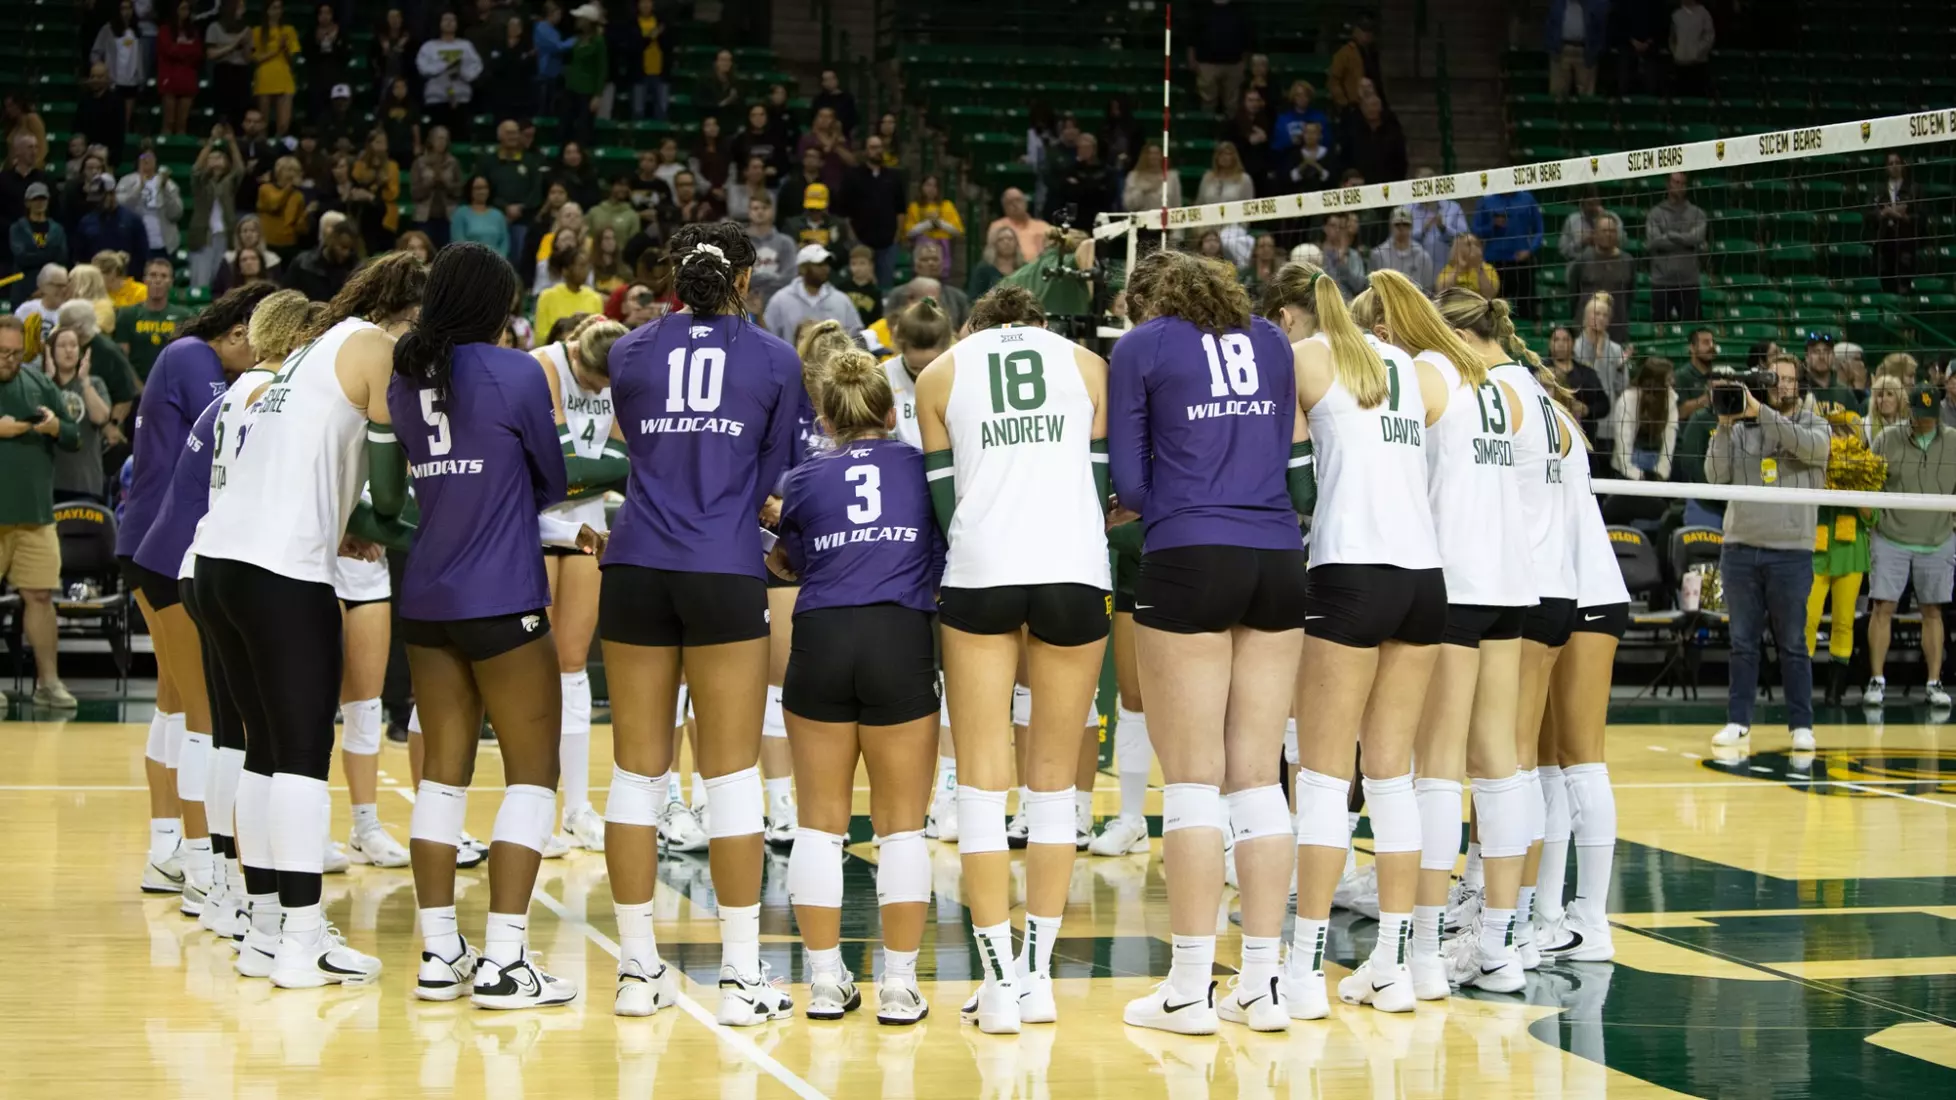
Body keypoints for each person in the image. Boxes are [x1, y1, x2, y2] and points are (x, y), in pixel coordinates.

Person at [191, 254, 426, 987]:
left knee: (263, 749)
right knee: (298, 755)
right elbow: (388, 501)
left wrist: (354, 514)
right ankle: (300, 938)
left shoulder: (309, 351)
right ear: (409, 312)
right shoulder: (376, 349)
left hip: (218, 562)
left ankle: (265, 930)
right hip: (281, 569)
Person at [598, 221, 801, 1024]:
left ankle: (636, 972)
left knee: (635, 777)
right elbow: (773, 483)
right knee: (729, 779)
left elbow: (634, 454)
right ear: (746, 278)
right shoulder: (777, 361)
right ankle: (742, 975)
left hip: (637, 565)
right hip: (721, 566)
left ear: (674, 276)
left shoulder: (628, 353)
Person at [1102, 251, 1304, 1034]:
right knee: (1257, 779)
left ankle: (1189, 987)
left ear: (1146, 301)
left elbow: (1133, 482)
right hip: (1278, 556)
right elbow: (1289, 459)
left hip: (1190, 552)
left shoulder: (1143, 346)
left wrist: (1155, 501)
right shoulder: (1273, 341)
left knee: (1191, 783)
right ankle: (1263, 984)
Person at [375, 241, 579, 1008]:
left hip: (426, 595)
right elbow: (553, 480)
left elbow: (394, 489)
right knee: (532, 774)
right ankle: (504, 961)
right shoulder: (521, 371)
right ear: (496, 307)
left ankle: (437, 957)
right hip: (503, 596)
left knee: (443, 778)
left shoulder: (405, 374)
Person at [913, 283, 1110, 1034]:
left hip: (983, 569)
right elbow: (1097, 484)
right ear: (1038, 324)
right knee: (1054, 785)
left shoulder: (941, 373)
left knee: (982, 781)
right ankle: (1038, 980)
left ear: (975, 325)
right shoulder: (1088, 364)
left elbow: (943, 503)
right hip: (1073, 567)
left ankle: (997, 985)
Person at [763, 344, 943, 1023]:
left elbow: (786, 560)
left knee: (819, 824)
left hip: (823, 639)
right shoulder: (924, 469)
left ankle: (826, 981)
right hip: (898, 636)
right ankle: (898, 985)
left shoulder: (805, 479)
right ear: (893, 410)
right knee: (900, 827)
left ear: (826, 419)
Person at [1370, 270, 1536, 996]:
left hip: (1457, 583)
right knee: (1501, 762)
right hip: (1509, 583)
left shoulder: (1426, 372)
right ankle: (1501, 946)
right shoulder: (1500, 381)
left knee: (1436, 767)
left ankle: (1427, 953)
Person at [135, 289, 316, 943]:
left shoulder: (225, 391)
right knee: (216, 726)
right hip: (190, 553)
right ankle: (212, 873)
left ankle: (177, 852)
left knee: (181, 711)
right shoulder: (240, 384)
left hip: (165, 547)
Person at [118, 284, 278, 911]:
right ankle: (203, 863)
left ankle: (168, 848)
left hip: (152, 540)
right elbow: (250, 430)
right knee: (205, 718)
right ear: (241, 332)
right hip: (169, 545)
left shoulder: (186, 355)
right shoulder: (194, 358)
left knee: (174, 705)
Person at [1440, 286, 1581, 977]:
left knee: (1507, 763)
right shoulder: (1541, 394)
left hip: (1514, 585)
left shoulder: (1496, 393)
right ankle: (1508, 917)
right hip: (1549, 587)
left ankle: (1511, 926)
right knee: (1516, 761)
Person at [1533, 386, 1628, 963]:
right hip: (1557, 590)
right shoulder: (1548, 415)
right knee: (1541, 762)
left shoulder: (1530, 418)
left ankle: (1591, 917)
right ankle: (1546, 914)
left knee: (1580, 757)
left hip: (1585, 592)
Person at [531, 315, 628, 853]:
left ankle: (577, 808)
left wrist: (584, 472)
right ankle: (537, 807)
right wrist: (590, 469)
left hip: (591, 523)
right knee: (537, 665)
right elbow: (554, 464)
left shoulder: (618, 371)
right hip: (542, 519)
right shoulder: (542, 366)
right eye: (592, 382)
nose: (599, 390)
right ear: (574, 354)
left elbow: (621, 463)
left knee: (572, 666)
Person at [1706, 354, 1830, 750]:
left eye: (1789, 379)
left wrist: (1760, 412)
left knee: (1793, 643)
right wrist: (1725, 428)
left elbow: (1806, 447)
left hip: (1791, 552)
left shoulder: (1816, 424)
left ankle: (1801, 725)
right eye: (1775, 379)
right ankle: (1738, 720)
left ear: (1801, 384)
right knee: (1742, 642)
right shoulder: (1742, 428)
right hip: (1740, 549)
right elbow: (1714, 475)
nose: (1782, 385)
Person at [0, 314, 81, 708]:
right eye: (2, 352)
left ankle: (48, 684)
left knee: (40, 596)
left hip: (35, 515)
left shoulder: (38, 383)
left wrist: (52, 428)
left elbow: (74, 434)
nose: (9, 360)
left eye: (16, 353)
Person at [1865, 385, 1956, 709]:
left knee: (1933, 611)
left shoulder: (1954, 441)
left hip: (1938, 539)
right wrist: (1874, 519)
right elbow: (1869, 483)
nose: (1926, 422)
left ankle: (1934, 682)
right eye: (1920, 416)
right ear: (1910, 411)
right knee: (1882, 609)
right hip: (1890, 537)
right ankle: (1876, 680)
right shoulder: (1887, 438)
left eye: (1932, 417)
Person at [1803, 408, 1877, 705]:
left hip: (1850, 554)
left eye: (1843, 433)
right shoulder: (1812, 466)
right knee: (1807, 619)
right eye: (1833, 432)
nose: (1837, 437)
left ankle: (1835, 691)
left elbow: (1873, 518)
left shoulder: (1866, 469)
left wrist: (1854, 486)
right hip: (1815, 550)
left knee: (1844, 622)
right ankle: (1802, 688)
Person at [40, 325, 112, 501]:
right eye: (62, 345)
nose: (68, 350)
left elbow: (101, 417)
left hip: (86, 483)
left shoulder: (94, 383)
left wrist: (85, 383)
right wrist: (47, 381)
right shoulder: (41, 385)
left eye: (73, 345)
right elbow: (35, 419)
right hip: (48, 484)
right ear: (50, 351)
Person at [840, 135, 905, 290]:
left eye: (880, 147)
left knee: (885, 288)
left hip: (888, 242)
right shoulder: (852, 176)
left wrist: (897, 235)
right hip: (861, 241)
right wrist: (852, 237)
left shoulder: (893, 177)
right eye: (873, 148)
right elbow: (844, 211)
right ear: (865, 151)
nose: (877, 151)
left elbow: (901, 209)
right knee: (860, 286)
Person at [763, 245, 862, 341]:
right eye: (819, 265)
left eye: (827, 264)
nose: (825, 269)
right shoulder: (781, 300)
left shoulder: (841, 300)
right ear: (803, 268)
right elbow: (767, 336)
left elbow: (856, 336)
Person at [187, 127, 245, 289]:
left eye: (219, 157)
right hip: (203, 237)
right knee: (201, 281)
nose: (215, 161)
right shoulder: (201, 184)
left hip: (225, 237)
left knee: (222, 281)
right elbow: (196, 170)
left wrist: (232, 143)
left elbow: (239, 170)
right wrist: (211, 143)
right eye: (211, 158)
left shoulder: (228, 183)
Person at [1471, 190, 1542, 319]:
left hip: (1521, 262)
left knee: (1525, 308)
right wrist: (1492, 225)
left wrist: (1530, 250)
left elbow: (1540, 230)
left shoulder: (1527, 199)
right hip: (1494, 263)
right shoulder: (1486, 201)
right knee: (1494, 310)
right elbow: (1476, 231)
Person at [1646, 173, 1706, 324]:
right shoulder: (1655, 213)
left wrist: (1670, 235)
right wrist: (1685, 240)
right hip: (1662, 283)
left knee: (1693, 330)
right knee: (1660, 331)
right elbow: (1654, 242)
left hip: (1689, 283)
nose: (1679, 186)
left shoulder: (1698, 213)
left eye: (1682, 183)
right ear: (1668, 184)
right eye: (1676, 182)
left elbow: (1697, 238)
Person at [1608, 358, 1678, 481]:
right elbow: (1623, 439)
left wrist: (1662, 471)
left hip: (1655, 459)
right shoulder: (1628, 400)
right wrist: (1634, 473)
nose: (1673, 382)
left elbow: (1670, 438)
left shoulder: (1670, 398)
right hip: (1629, 462)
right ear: (1656, 382)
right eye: (1668, 379)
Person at [1566, 215, 1632, 342]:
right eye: (1604, 231)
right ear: (1595, 234)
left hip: (1616, 329)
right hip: (1585, 329)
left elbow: (1630, 295)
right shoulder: (1583, 259)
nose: (1608, 235)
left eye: (1612, 231)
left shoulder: (1627, 261)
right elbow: (1573, 293)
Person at [533, 238, 605, 343]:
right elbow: (540, 337)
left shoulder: (595, 298)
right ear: (565, 271)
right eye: (581, 266)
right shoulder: (547, 296)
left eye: (587, 266)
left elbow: (600, 335)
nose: (586, 271)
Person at [8, 183, 66, 309]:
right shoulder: (17, 228)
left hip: (51, 289)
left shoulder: (57, 229)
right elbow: (21, 257)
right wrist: (49, 254)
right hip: (23, 288)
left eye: (43, 199)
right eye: (35, 199)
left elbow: (62, 257)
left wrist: (35, 255)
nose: (39, 203)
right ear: (27, 203)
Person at [349, 130, 403, 257]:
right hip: (364, 215)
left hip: (385, 216)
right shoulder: (359, 166)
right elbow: (355, 189)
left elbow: (393, 194)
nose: (382, 146)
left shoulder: (392, 166)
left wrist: (376, 190)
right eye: (378, 142)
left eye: (384, 143)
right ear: (369, 144)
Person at [251, 0, 300, 137]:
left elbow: (294, 60)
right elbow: (254, 58)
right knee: (262, 124)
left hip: (284, 77)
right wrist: (275, 50)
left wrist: (284, 50)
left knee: (283, 126)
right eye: (273, 8)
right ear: (266, 11)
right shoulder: (257, 31)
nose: (277, 11)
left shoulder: (289, 30)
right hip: (265, 77)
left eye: (279, 8)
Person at [205, 0, 255, 128]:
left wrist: (246, 43)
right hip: (224, 72)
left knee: (241, 110)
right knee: (223, 111)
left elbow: (248, 58)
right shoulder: (215, 27)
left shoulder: (246, 29)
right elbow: (211, 54)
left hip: (241, 72)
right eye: (240, 7)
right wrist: (235, 43)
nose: (243, 10)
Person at [1573, 292, 1631, 400]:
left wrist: (1620, 369)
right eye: (1597, 313)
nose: (1601, 318)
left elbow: (1622, 388)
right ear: (1586, 316)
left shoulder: (1616, 350)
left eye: (1605, 315)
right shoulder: (1575, 348)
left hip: (1610, 414)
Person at [1544, 0, 1607, 98]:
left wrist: (1596, 50)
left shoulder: (1596, 5)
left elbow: (1601, 30)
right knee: (1558, 93)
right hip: (1561, 51)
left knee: (1586, 94)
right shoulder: (1557, 4)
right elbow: (1550, 25)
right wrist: (1552, 47)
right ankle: (1558, 113)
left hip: (1585, 52)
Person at [1368, 207, 1435, 294]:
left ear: (1411, 227)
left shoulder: (1423, 257)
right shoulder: (1378, 255)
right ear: (1390, 226)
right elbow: (1371, 288)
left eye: (1405, 224)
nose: (1401, 228)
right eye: (1397, 224)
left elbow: (1428, 289)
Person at [1328, 19, 1383, 108]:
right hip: (1354, 104)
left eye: (1369, 31)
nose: (1367, 34)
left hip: (1373, 103)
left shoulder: (1373, 53)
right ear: (1356, 32)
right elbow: (1334, 81)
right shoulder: (1344, 53)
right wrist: (1344, 103)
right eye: (1363, 31)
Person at [1670, 0, 1716, 99]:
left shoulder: (1704, 13)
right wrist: (1676, 52)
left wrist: (1698, 52)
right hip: (1680, 62)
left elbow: (1709, 36)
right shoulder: (1676, 15)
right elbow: (1672, 37)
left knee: (1697, 96)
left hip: (1698, 63)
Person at [968, 225, 1026, 300]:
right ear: (994, 244)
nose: (1006, 242)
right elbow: (974, 298)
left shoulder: (1025, 268)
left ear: (1016, 243)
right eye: (1001, 239)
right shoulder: (983, 269)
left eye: (1010, 239)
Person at [1437, 233, 1499, 298]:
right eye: (1468, 244)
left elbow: (1490, 294)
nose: (1473, 247)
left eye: (1476, 244)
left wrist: (1479, 267)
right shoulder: (1449, 268)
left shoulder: (1488, 268)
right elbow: (1441, 292)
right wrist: (1459, 268)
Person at [1197, 142, 1255, 206]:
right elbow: (1200, 202)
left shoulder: (1244, 179)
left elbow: (1249, 205)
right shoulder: (1207, 177)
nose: (1224, 157)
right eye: (1220, 154)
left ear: (1234, 157)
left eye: (1227, 154)